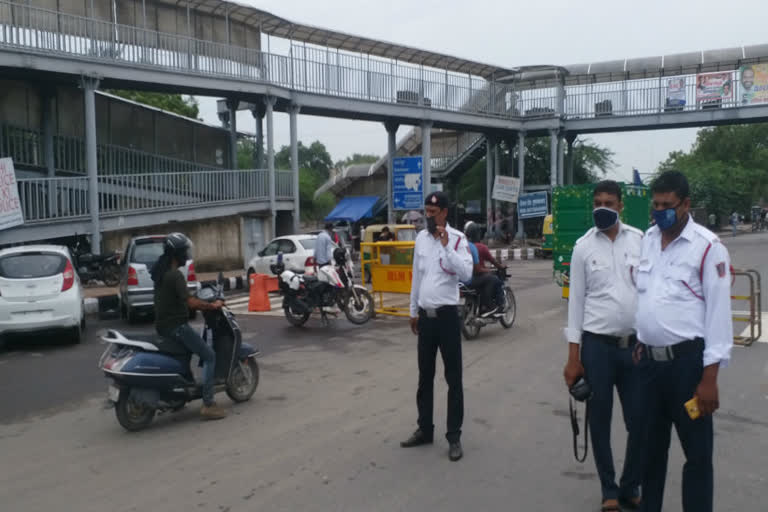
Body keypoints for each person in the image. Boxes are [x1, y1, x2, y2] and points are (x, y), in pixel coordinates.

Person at [635, 171, 733, 512]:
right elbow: (645, 297)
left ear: (686, 204)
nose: (659, 211)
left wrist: (710, 378)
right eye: (656, 204)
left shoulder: (708, 248)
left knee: (697, 456)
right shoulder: (648, 239)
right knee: (650, 451)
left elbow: (719, 316)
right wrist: (640, 336)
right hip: (648, 365)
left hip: (688, 368)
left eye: (667, 205)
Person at [562, 180, 645, 512]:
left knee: (639, 420)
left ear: (621, 206)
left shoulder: (640, 241)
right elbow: (576, 303)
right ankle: (609, 488)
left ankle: (630, 484)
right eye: (597, 202)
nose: (602, 208)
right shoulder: (583, 247)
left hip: (636, 346)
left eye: (609, 203)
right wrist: (573, 357)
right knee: (599, 419)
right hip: (597, 347)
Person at [401, 191, 473, 462]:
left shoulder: (458, 239)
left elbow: (465, 273)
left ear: (444, 212)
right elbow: (416, 278)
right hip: (425, 317)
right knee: (424, 377)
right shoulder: (420, 239)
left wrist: (445, 246)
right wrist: (412, 311)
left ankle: (454, 436)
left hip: (447, 318)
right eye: (426, 213)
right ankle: (425, 429)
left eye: (432, 213)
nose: (428, 218)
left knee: (453, 379)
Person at [151, 232, 227, 420]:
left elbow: (179, 295)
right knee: (209, 355)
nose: (187, 254)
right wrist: (212, 305)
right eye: (185, 251)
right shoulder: (175, 275)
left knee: (184, 356)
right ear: (177, 253)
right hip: (176, 326)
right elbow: (191, 303)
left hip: (163, 326)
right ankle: (208, 403)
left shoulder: (160, 272)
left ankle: (179, 397)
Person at [465, 221, 506, 317]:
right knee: (495, 279)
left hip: (464, 280)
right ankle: (491, 307)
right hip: (475, 277)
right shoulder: (480, 247)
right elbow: (490, 262)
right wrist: (497, 268)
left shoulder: (463, 246)